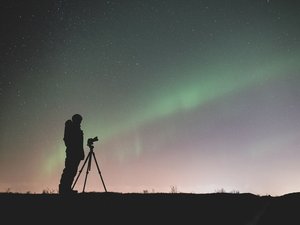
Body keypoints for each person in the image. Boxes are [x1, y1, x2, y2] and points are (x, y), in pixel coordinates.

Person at [59, 114, 85, 194]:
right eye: (79, 120)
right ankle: (64, 189)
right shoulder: (71, 127)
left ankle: (67, 188)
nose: (80, 122)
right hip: (72, 153)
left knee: (73, 171)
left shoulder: (77, 129)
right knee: (69, 170)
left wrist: (81, 153)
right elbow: (68, 140)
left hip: (76, 154)